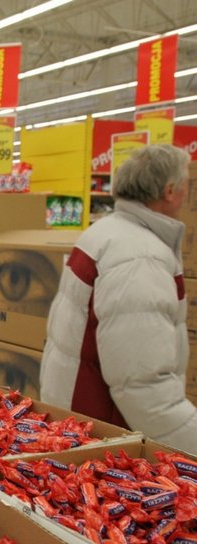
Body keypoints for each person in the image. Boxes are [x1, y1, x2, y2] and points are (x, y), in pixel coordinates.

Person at [40, 144, 196, 453]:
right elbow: (141, 383)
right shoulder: (140, 257)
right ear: (169, 191)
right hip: (104, 427)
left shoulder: (108, 232)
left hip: (78, 410)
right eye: (186, 184)